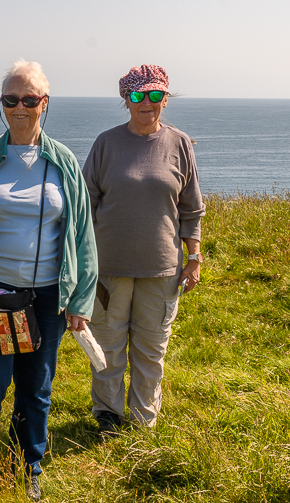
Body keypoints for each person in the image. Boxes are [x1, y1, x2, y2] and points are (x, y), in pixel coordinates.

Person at [0, 60, 97, 502]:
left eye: (30, 99)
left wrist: (81, 297)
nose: (20, 107)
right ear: (1, 105)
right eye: (10, 99)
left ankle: (28, 466)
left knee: (36, 387)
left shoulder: (64, 162)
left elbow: (81, 233)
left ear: (45, 103)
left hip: (47, 299)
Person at [82, 64, 205, 437]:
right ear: (126, 100)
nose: (146, 103)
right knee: (108, 344)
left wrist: (195, 257)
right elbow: (86, 202)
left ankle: (143, 420)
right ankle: (107, 414)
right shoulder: (106, 143)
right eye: (137, 96)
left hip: (163, 269)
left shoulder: (180, 143)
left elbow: (191, 207)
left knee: (151, 350)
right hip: (109, 267)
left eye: (154, 95)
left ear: (165, 99)